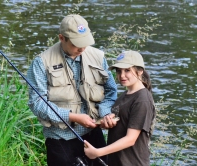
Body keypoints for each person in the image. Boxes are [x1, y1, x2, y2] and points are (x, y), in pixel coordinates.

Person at [26, 14, 117, 166]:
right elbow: (37, 103)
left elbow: (111, 92)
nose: (82, 48)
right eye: (76, 44)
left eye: (85, 42)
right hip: (59, 139)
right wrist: (73, 117)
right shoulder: (41, 63)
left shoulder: (98, 57)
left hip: (93, 135)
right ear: (62, 38)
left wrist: (106, 113)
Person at [84, 50, 156, 166]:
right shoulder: (125, 96)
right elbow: (123, 124)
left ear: (140, 71)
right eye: (119, 71)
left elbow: (130, 139)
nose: (122, 75)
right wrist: (103, 123)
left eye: (127, 70)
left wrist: (97, 152)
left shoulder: (142, 99)